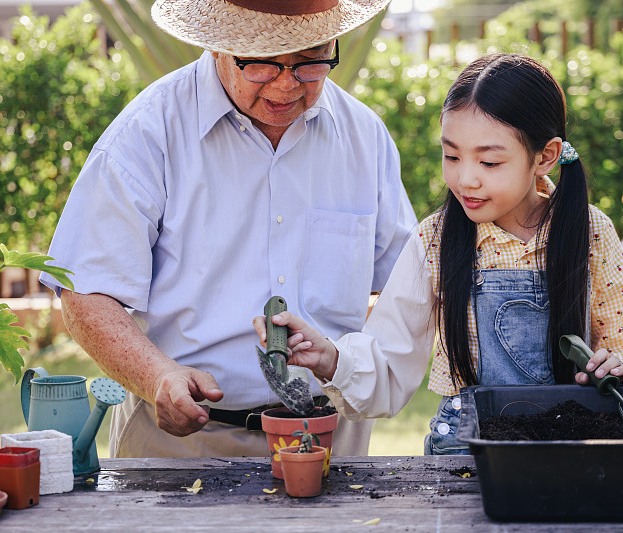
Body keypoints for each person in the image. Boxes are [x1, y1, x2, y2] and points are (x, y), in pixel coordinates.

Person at [39, 0, 416, 459]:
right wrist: (158, 376)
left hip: (329, 438)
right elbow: (86, 292)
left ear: (333, 44)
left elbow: (405, 290)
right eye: (262, 62)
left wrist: (352, 366)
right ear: (218, 46)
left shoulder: (365, 137)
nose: (285, 85)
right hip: (185, 444)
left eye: (309, 61)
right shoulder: (147, 132)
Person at [254, 53, 623, 455]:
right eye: (451, 155)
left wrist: (619, 367)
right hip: (466, 452)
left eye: (489, 162)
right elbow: (389, 360)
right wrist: (329, 357)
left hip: (571, 443)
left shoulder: (589, 232)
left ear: (545, 156)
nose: (464, 178)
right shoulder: (435, 239)